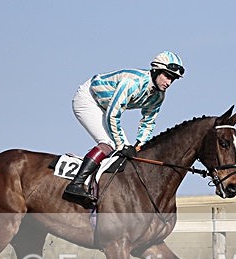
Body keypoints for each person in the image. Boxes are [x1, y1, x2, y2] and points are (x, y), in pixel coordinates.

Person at [63, 51, 185, 206]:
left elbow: (148, 122)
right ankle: (76, 184)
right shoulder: (132, 83)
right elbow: (113, 115)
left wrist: (140, 144)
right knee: (110, 144)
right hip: (89, 100)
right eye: (167, 76)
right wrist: (123, 145)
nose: (169, 82)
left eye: (173, 79)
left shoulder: (158, 96)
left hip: (104, 106)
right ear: (156, 70)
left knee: (122, 151)